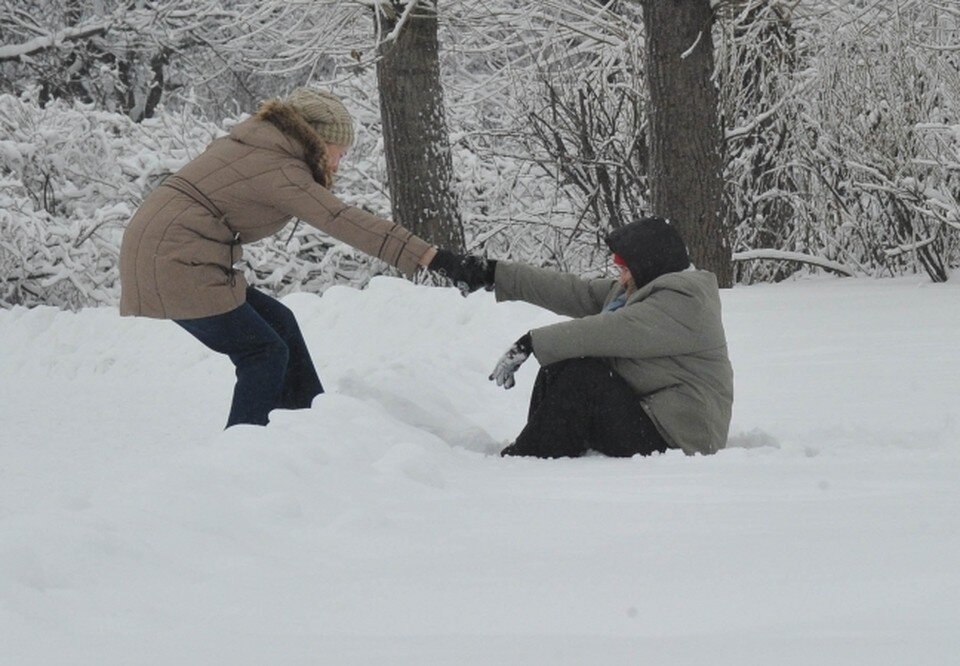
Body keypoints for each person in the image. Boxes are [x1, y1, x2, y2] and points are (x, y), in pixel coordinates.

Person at [120, 86, 456, 428]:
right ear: (316, 140)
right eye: (338, 153)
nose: (339, 163)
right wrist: (431, 256)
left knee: (280, 324)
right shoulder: (280, 167)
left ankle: (305, 430)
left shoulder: (258, 144)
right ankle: (240, 457)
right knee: (263, 352)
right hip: (173, 258)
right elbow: (341, 219)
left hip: (164, 248)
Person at [430, 217, 734, 458]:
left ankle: (525, 460)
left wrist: (531, 342)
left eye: (625, 269)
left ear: (650, 266)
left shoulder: (684, 303)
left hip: (680, 436)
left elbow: (610, 331)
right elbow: (573, 290)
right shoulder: (637, 289)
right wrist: (493, 273)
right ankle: (539, 451)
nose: (620, 277)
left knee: (582, 376)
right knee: (559, 369)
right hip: (648, 415)